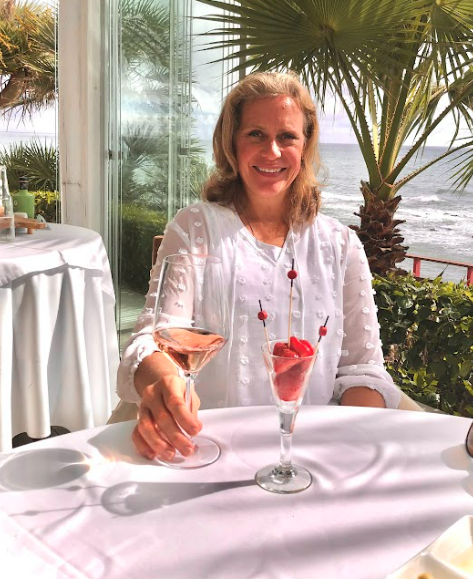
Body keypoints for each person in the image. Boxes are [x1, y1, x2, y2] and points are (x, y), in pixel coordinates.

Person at [117, 71, 401, 461]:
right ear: (232, 143)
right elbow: (153, 340)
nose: (272, 151)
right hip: (208, 446)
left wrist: (353, 448)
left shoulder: (340, 245)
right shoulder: (195, 228)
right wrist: (164, 383)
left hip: (308, 456)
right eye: (255, 134)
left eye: (287, 137)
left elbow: (363, 370)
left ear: (305, 146)